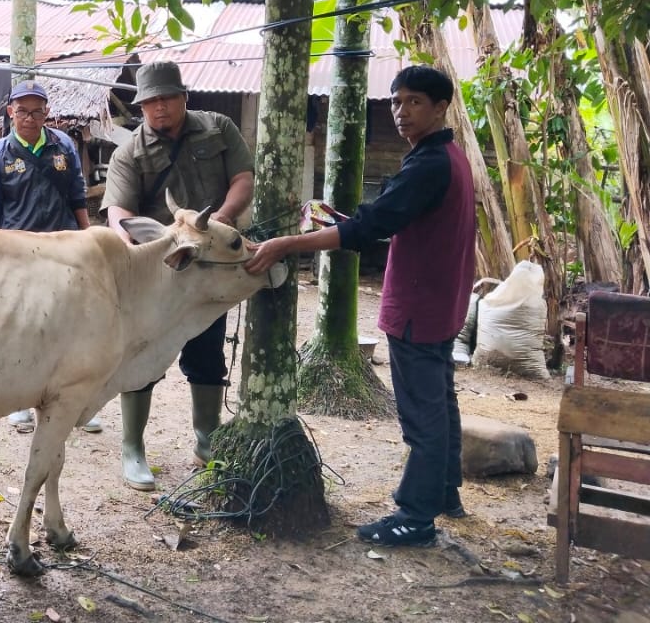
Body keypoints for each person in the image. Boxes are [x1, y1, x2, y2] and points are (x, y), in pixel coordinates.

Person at [245, 64, 476, 546]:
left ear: (440, 107)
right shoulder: (446, 157)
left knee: (422, 414)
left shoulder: (431, 163)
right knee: (441, 403)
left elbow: (374, 225)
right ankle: (445, 492)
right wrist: (349, 223)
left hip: (419, 303)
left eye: (414, 102)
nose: (401, 111)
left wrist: (290, 243)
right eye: (396, 101)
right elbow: (389, 219)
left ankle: (416, 516)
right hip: (441, 300)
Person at [100, 60, 255, 489]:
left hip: (212, 269)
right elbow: (118, 211)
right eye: (149, 102)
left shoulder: (218, 128)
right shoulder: (130, 151)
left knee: (207, 352)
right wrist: (135, 243)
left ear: (184, 97)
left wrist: (218, 223)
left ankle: (207, 440)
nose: (158, 108)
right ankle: (133, 449)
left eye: (166, 98)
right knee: (142, 356)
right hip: (162, 270)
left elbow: (243, 178)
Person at [0, 79, 102, 434]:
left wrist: (88, 237)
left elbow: (78, 194)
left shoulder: (64, 147)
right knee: (22, 328)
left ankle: (75, 405)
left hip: (63, 252)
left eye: (37, 111)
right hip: (18, 255)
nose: (30, 117)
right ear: (10, 112)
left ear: (47, 113)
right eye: (22, 111)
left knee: (68, 327)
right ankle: (19, 402)